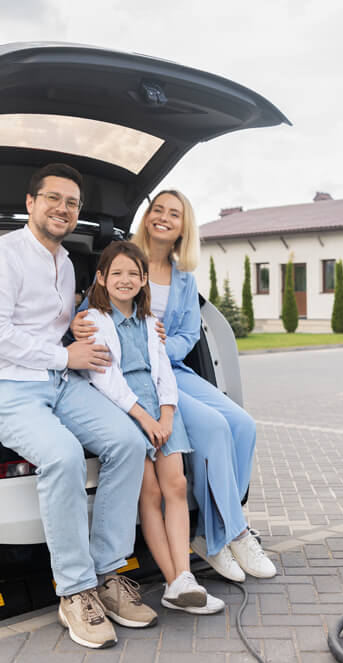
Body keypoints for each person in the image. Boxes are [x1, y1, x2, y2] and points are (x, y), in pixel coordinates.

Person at [0, 163, 156, 650]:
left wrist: (86, 325)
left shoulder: (66, 261)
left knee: (129, 442)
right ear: (30, 203)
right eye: (53, 198)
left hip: (60, 381)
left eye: (71, 203)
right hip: (2, 385)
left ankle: (109, 575)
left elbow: (61, 321)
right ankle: (75, 591)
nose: (63, 209)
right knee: (63, 456)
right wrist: (63, 353)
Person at [73, 190, 276, 582]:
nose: (164, 218)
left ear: (185, 227)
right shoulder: (123, 258)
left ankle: (215, 531)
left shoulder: (184, 279)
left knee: (242, 424)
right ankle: (227, 534)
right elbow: (89, 312)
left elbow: (187, 334)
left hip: (173, 369)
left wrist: (162, 347)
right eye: (158, 210)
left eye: (175, 214)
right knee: (215, 428)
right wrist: (73, 325)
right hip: (137, 376)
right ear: (147, 217)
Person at [81, 240, 225, 615]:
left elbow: (164, 373)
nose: (125, 280)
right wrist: (143, 419)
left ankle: (184, 579)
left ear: (145, 280)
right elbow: (105, 379)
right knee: (150, 493)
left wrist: (165, 416)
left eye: (133, 273)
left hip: (160, 412)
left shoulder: (150, 323)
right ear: (101, 278)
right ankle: (172, 578)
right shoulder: (95, 322)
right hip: (126, 411)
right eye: (117, 273)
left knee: (176, 485)